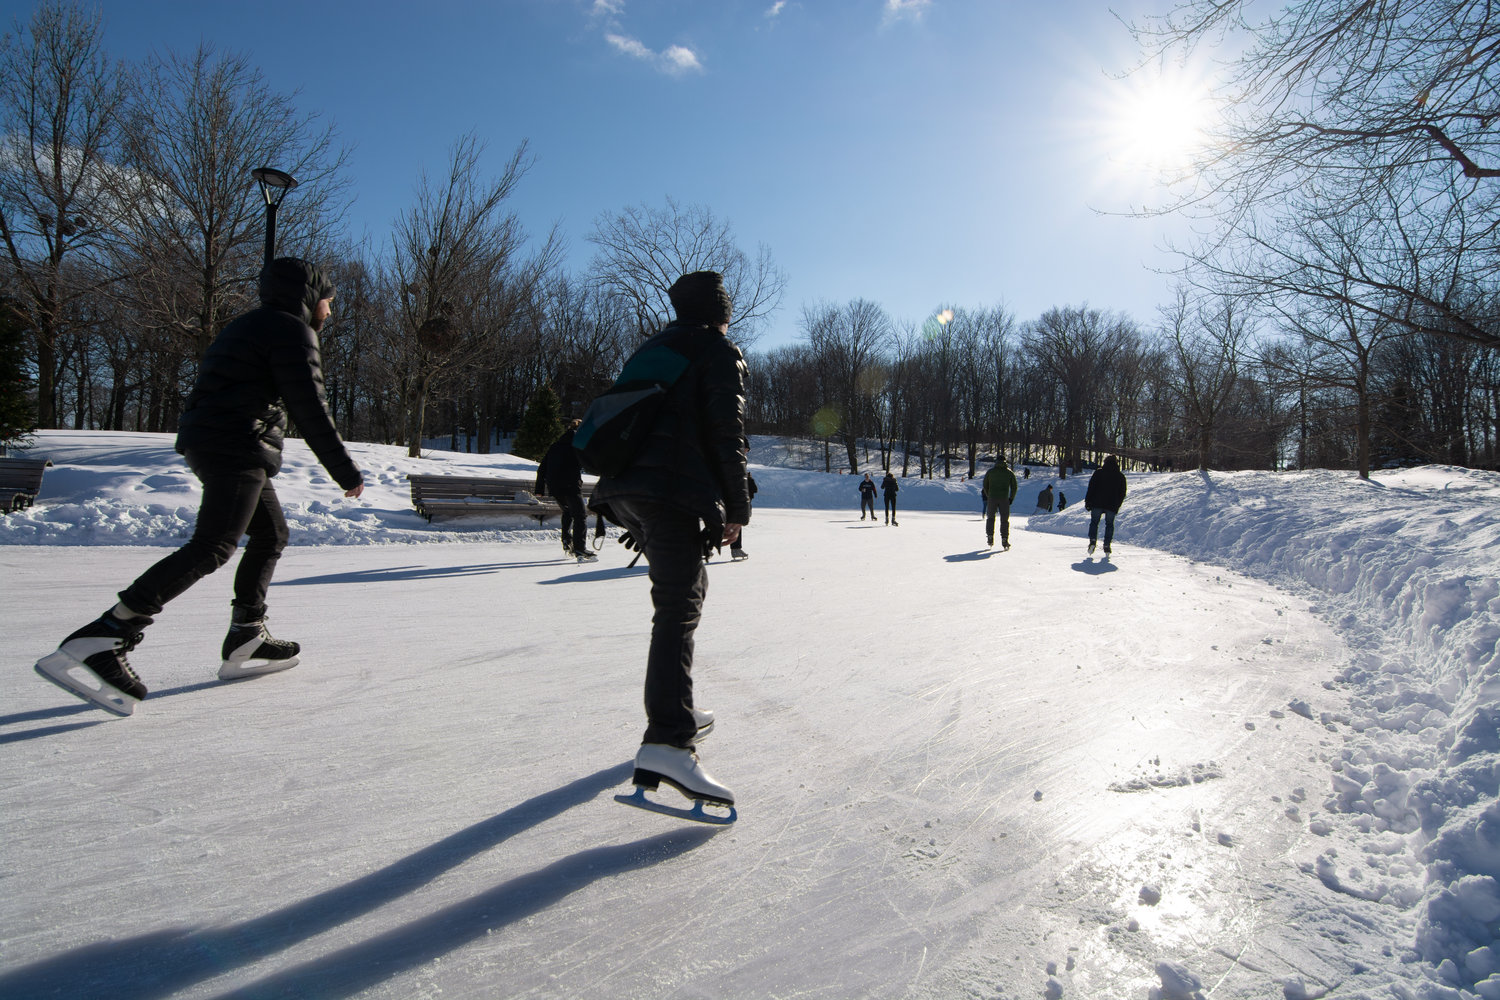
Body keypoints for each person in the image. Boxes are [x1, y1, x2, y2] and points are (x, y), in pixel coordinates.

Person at [34, 258, 365, 716]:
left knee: (271, 535)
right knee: (214, 544)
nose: (330, 311)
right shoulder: (291, 330)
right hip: (236, 444)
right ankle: (108, 635)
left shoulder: (251, 325)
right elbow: (311, 405)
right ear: (311, 296)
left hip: (218, 440)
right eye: (328, 300)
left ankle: (247, 634)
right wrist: (346, 472)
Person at [588, 270, 749, 812]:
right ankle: (667, 742)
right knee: (677, 605)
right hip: (668, 491)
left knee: (684, 592)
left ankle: (676, 712)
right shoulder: (717, 349)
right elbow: (727, 433)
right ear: (720, 311)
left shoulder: (657, 346)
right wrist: (738, 508)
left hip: (626, 490)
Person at [537, 418, 595, 562]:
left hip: (554, 487)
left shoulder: (555, 446)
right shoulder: (578, 444)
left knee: (568, 511)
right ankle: (580, 549)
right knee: (580, 516)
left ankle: (566, 541)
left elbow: (542, 468)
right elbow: (590, 463)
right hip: (570, 486)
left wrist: (539, 488)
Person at [1084, 454, 1128, 556]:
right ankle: (1107, 545)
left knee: (1094, 522)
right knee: (1109, 524)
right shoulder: (1120, 476)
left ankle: (1093, 541)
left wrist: (1088, 501)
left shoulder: (1099, 473)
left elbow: (1091, 487)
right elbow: (1122, 493)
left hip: (1097, 502)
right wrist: (1117, 504)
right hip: (1112, 505)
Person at [981, 457, 1018, 549]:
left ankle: (990, 536)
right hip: (1004, 498)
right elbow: (1014, 487)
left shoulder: (990, 472)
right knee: (1004, 520)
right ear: (1005, 462)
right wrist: (1011, 498)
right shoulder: (1009, 473)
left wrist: (988, 495)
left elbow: (985, 485)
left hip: (992, 498)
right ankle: (1004, 539)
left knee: (990, 518)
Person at [731, 472, 757, 559]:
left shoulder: (738, 478)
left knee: (732, 525)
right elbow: (755, 489)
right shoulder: (745, 479)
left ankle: (705, 545)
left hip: (738, 503)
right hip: (741, 503)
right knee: (736, 524)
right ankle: (736, 549)